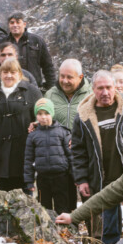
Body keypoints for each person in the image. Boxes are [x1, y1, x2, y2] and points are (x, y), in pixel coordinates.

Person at [71, 70, 123, 244]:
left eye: (108, 87)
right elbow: (78, 150)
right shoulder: (83, 116)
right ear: (93, 90)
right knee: (109, 225)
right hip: (102, 180)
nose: (105, 92)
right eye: (100, 88)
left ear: (115, 88)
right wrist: (82, 179)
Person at [0, 58, 42, 191]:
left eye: (13, 72)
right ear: (0, 74)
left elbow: (41, 117)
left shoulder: (32, 91)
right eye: (5, 72)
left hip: (24, 150)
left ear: (19, 73)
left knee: (24, 190)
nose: (9, 75)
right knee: (2, 188)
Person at [45, 58, 92, 211]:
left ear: (80, 77)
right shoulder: (50, 95)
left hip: (85, 156)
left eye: (69, 77)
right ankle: (69, 232)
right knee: (64, 199)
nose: (64, 81)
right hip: (59, 157)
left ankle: (94, 234)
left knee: (90, 198)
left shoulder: (91, 95)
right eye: (62, 76)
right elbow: (44, 121)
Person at [25, 98, 75, 212]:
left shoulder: (62, 132)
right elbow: (28, 159)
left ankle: (64, 229)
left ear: (52, 113)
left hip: (61, 176)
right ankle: (47, 229)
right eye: (40, 114)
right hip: (43, 177)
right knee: (44, 208)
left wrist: (75, 176)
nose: (43, 117)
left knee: (63, 206)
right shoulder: (33, 136)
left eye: (47, 113)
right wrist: (29, 181)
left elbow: (71, 156)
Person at [7, 12, 55, 90]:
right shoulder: (3, 43)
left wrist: (51, 87)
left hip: (34, 88)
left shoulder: (37, 41)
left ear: (24, 24)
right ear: (9, 25)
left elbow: (48, 66)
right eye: (12, 23)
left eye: (18, 22)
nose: (15, 25)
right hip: (10, 89)